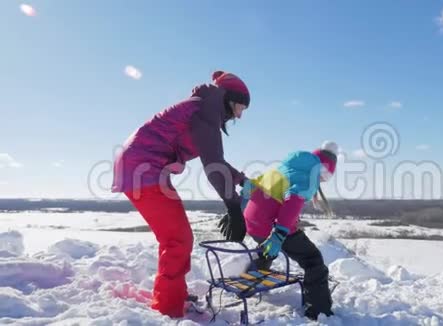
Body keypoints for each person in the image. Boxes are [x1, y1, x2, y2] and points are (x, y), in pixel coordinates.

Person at [111, 71, 250, 318]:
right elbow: (213, 165)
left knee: (177, 236)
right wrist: (233, 206)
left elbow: (216, 160)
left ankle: (173, 294)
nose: (239, 115)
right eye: (241, 107)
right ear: (230, 98)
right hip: (144, 168)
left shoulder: (204, 107)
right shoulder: (207, 110)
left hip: (144, 168)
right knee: (177, 239)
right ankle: (169, 307)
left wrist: (241, 180)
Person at [222, 141, 338, 320]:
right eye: (325, 177)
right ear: (322, 170)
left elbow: (252, 187)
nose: (322, 181)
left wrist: (236, 209)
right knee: (313, 260)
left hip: (253, 224)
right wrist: (280, 233)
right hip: (270, 226)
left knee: (268, 250)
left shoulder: (284, 167)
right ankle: (319, 311)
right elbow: (292, 200)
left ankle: (251, 281)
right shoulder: (308, 178)